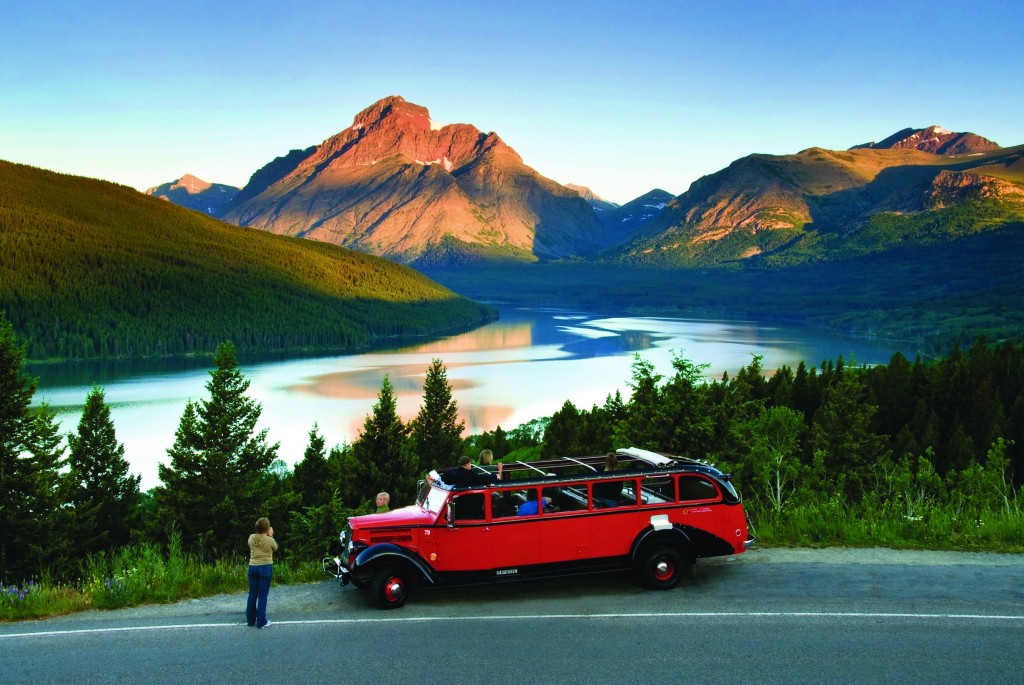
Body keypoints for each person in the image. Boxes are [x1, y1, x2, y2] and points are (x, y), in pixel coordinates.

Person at [246, 517, 278, 629]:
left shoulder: (251, 537)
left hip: (252, 566)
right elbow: (275, 548)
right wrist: (270, 535)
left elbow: (252, 544)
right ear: (267, 528)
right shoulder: (270, 540)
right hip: (265, 567)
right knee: (262, 595)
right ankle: (261, 621)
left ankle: (250, 620)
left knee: (252, 594)